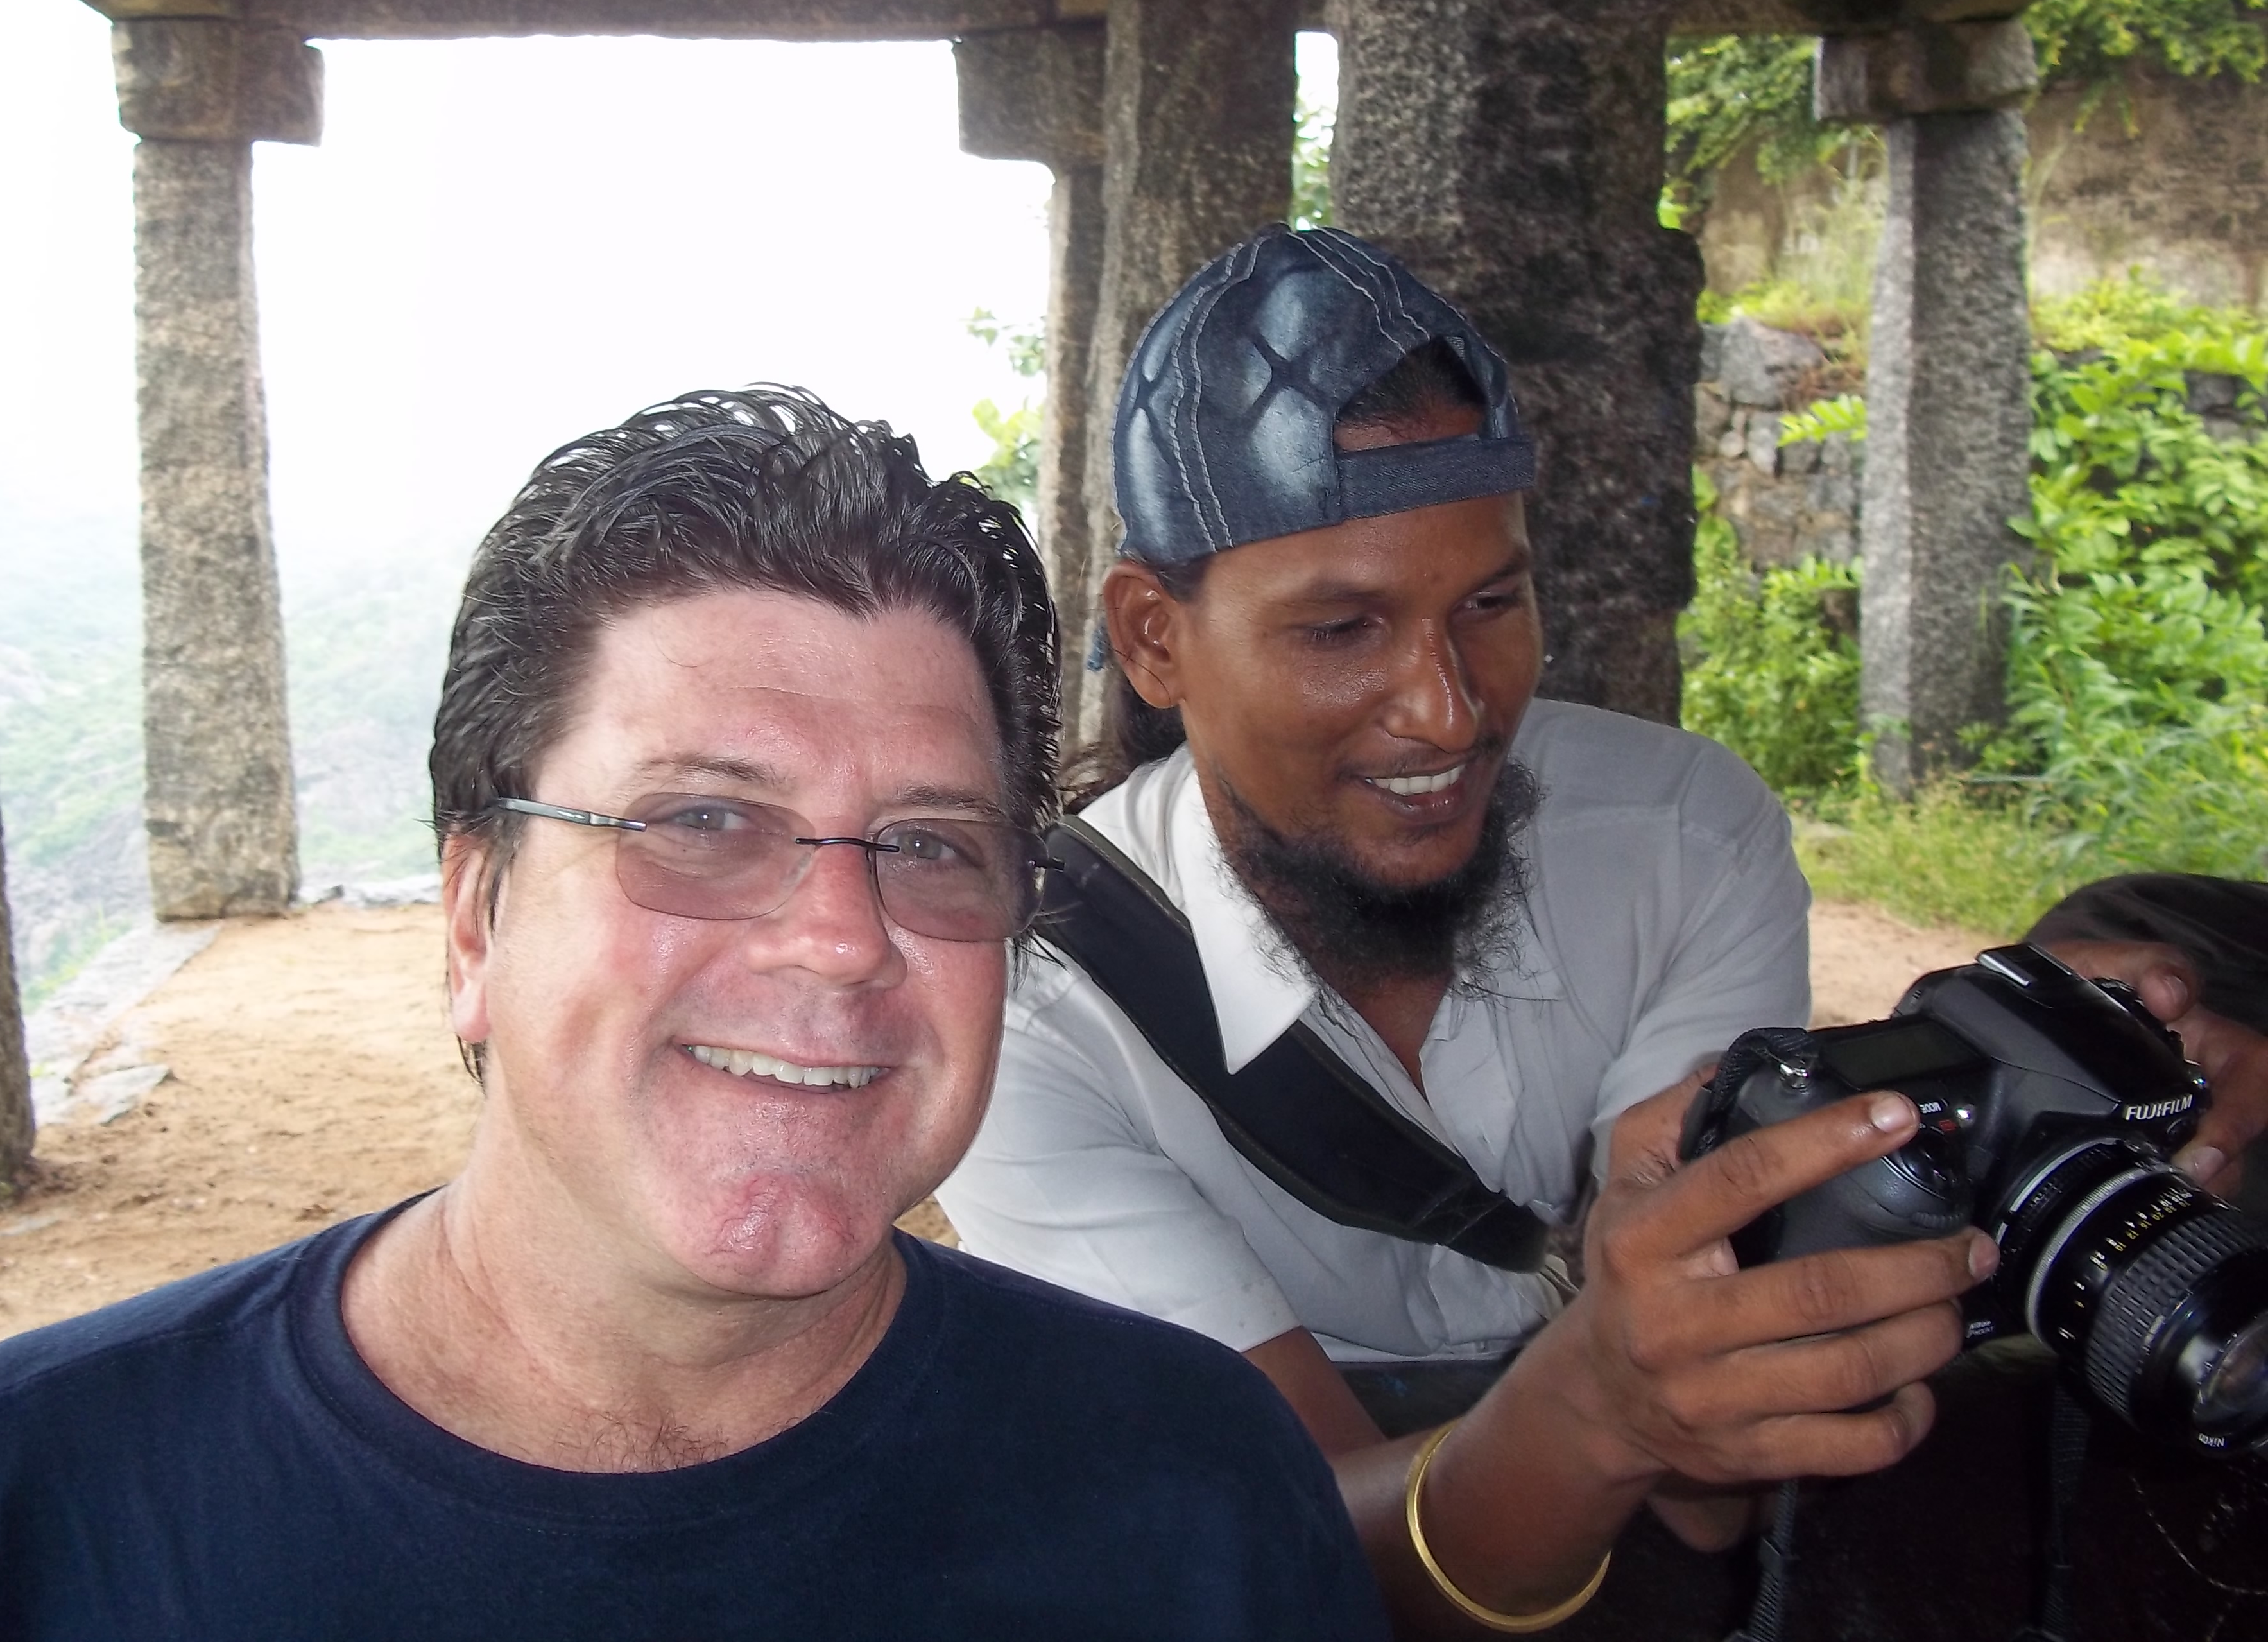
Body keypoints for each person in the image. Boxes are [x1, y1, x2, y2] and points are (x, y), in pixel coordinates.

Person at [0, 390, 1389, 1642]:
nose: (839, 938)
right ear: (474, 915)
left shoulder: (1195, 1500)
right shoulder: (19, 1522)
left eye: (929, 848)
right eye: (698, 823)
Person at [936, 226, 2268, 1634]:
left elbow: (1715, 1431)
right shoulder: (1027, 1011)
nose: (1446, 711)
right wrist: (1623, 1406)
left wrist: (1991, 1089)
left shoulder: (1684, 835)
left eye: (1490, 605)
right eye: (1340, 631)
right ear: (1152, 639)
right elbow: (1300, 1548)